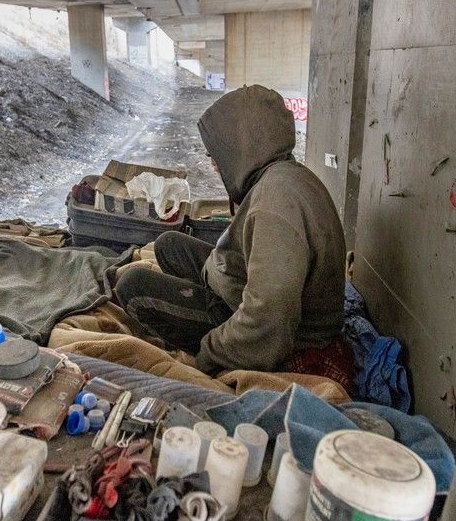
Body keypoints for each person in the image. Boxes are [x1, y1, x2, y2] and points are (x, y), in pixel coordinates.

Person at [115, 84, 351, 384]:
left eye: (216, 154)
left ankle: (209, 319)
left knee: (132, 286)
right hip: (240, 286)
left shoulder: (274, 205)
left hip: (278, 331)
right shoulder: (286, 176)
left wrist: (208, 354)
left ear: (239, 149)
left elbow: (268, 320)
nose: (214, 165)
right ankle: (208, 289)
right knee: (168, 244)